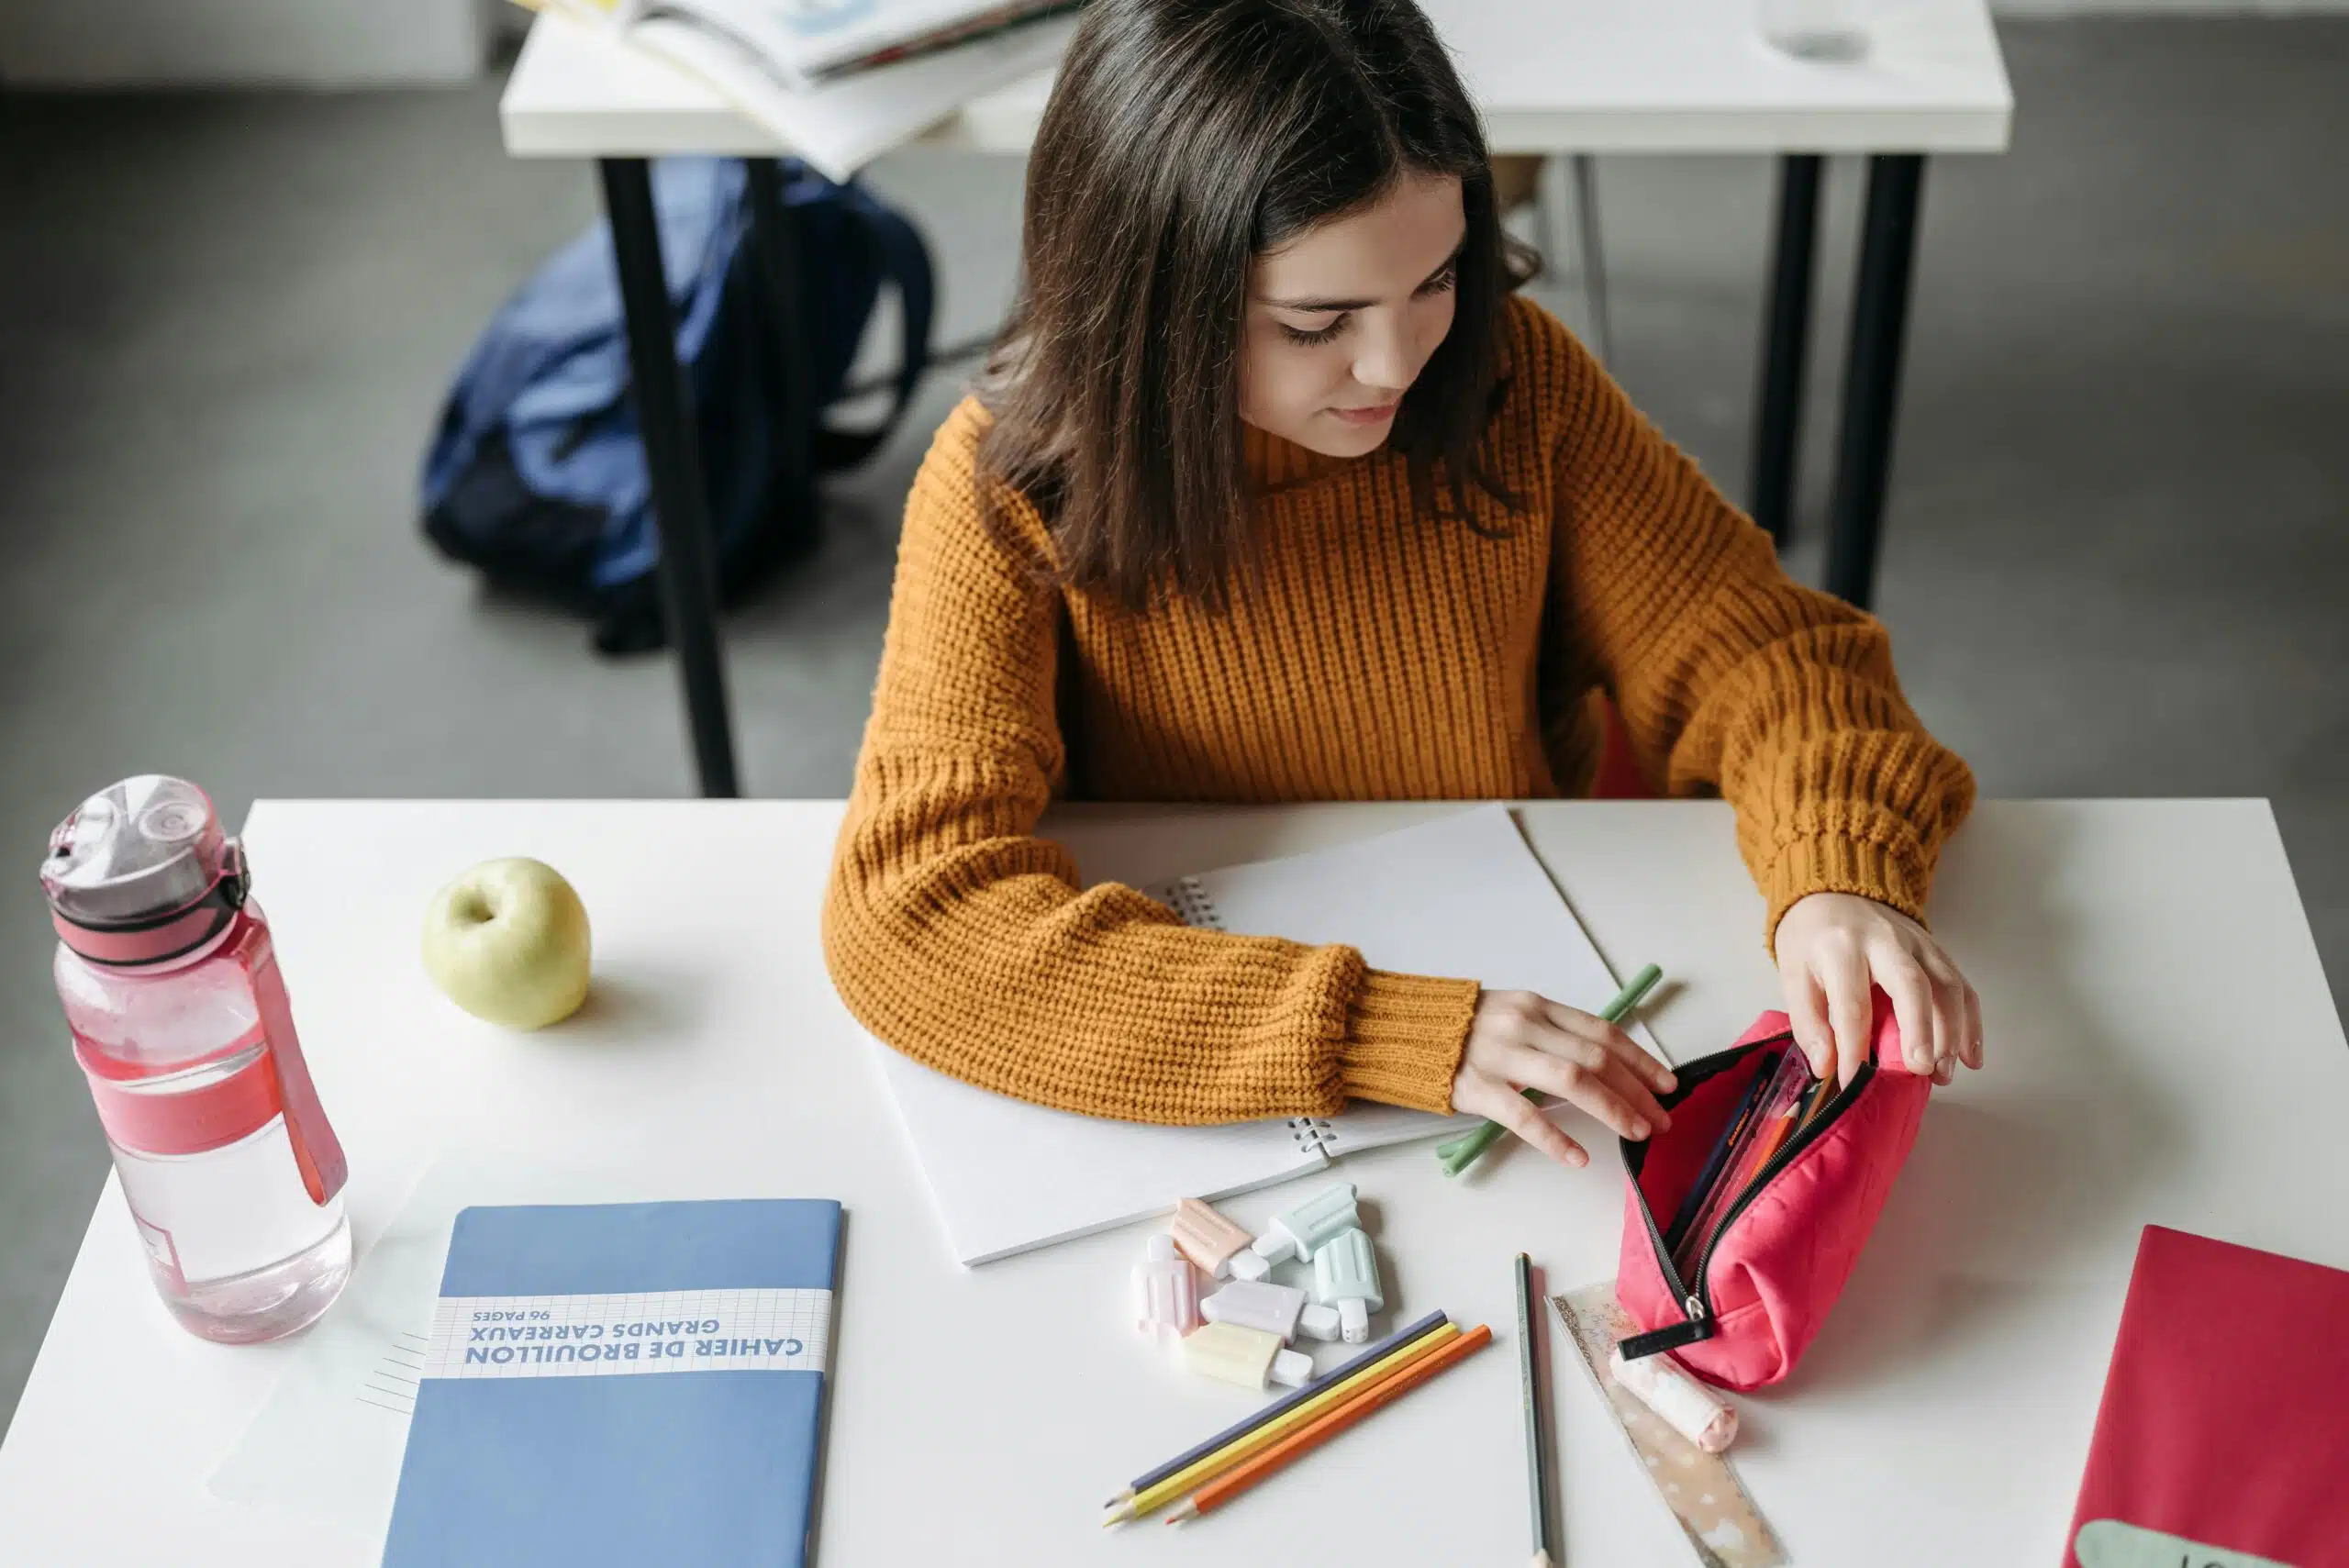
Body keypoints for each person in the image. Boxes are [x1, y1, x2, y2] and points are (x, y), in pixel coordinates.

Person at [823, 0, 1981, 1171]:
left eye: (1433, 280)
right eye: (1317, 322)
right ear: (1154, 302)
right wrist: (1384, 1027)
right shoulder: (1011, 485)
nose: (1394, 363)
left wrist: (1839, 870)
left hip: (1532, 1035)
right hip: (1256, 1097)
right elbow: (913, 912)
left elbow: (1765, 656)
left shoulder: (1516, 386)